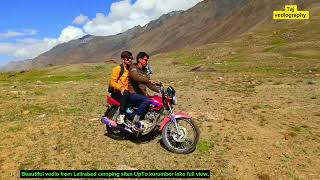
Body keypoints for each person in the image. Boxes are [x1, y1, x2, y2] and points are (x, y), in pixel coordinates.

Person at [128, 52, 160, 131]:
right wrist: (148, 80)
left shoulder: (144, 71)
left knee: (155, 101)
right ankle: (135, 121)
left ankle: (148, 122)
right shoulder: (133, 68)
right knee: (147, 100)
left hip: (141, 95)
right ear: (139, 59)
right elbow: (135, 77)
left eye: (147, 60)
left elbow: (149, 84)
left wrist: (160, 90)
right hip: (132, 93)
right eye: (145, 60)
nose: (147, 62)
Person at [109, 51, 133, 124]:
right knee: (126, 93)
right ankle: (121, 115)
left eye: (131, 58)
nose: (130, 60)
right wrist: (121, 87)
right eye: (127, 58)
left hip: (127, 92)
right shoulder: (118, 69)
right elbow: (112, 82)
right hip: (118, 93)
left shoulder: (130, 69)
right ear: (123, 59)